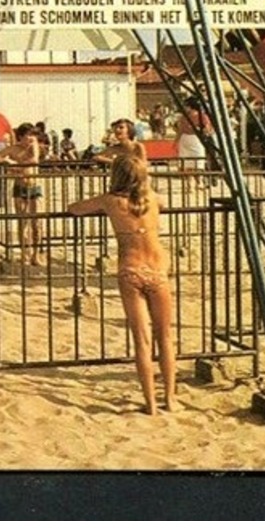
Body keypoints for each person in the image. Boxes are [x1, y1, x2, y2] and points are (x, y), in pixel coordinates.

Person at [67, 150, 178, 415]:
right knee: (165, 337)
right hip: (157, 269)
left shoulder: (110, 201)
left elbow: (75, 209)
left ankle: (150, 402)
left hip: (130, 270)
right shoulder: (153, 199)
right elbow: (164, 203)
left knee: (142, 341)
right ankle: (171, 398)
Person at [0, 122, 45, 266]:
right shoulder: (13, 149)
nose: (31, 138)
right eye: (29, 135)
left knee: (37, 224)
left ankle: (36, 254)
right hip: (19, 187)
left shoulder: (33, 146)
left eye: (33, 135)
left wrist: (14, 165)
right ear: (21, 136)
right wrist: (6, 160)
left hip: (34, 186)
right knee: (23, 223)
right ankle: (25, 253)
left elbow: (34, 160)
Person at [174, 100, 210, 172]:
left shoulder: (201, 116)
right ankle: (192, 182)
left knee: (195, 162)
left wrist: (200, 129)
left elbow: (207, 129)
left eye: (186, 106)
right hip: (188, 139)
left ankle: (195, 181)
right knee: (190, 163)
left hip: (193, 139)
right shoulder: (184, 117)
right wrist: (176, 141)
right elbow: (180, 130)